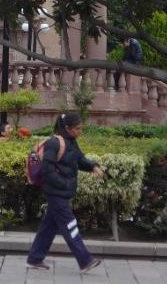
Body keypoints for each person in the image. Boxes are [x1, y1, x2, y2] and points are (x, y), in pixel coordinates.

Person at [27, 112, 105, 273]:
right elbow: (47, 170)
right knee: (70, 225)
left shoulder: (72, 142)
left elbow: (79, 159)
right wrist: (63, 184)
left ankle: (34, 259)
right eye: (77, 128)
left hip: (62, 192)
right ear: (67, 128)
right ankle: (85, 260)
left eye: (81, 128)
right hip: (56, 193)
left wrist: (93, 166)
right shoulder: (54, 143)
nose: (80, 131)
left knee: (48, 226)